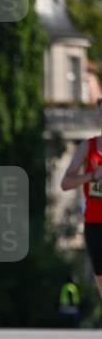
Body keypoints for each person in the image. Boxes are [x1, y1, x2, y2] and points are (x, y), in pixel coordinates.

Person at [60, 98, 102, 301]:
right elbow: (65, 183)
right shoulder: (88, 147)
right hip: (94, 221)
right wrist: (92, 176)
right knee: (100, 273)